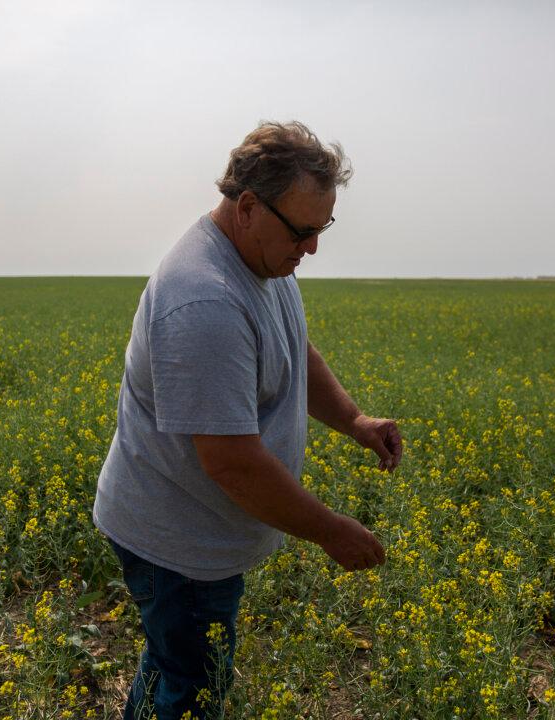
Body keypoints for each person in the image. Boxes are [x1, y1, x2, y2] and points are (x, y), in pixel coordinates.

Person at [92, 120, 403, 719]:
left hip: (198, 534)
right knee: (190, 687)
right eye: (304, 232)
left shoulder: (263, 259)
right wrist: (331, 530)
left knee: (170, 665)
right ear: (249, 207)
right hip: (178, 546)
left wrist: (355, 421)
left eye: (323, 229)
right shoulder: (204, 300)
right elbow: (232, 464)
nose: (312, 248)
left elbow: (294, 349)